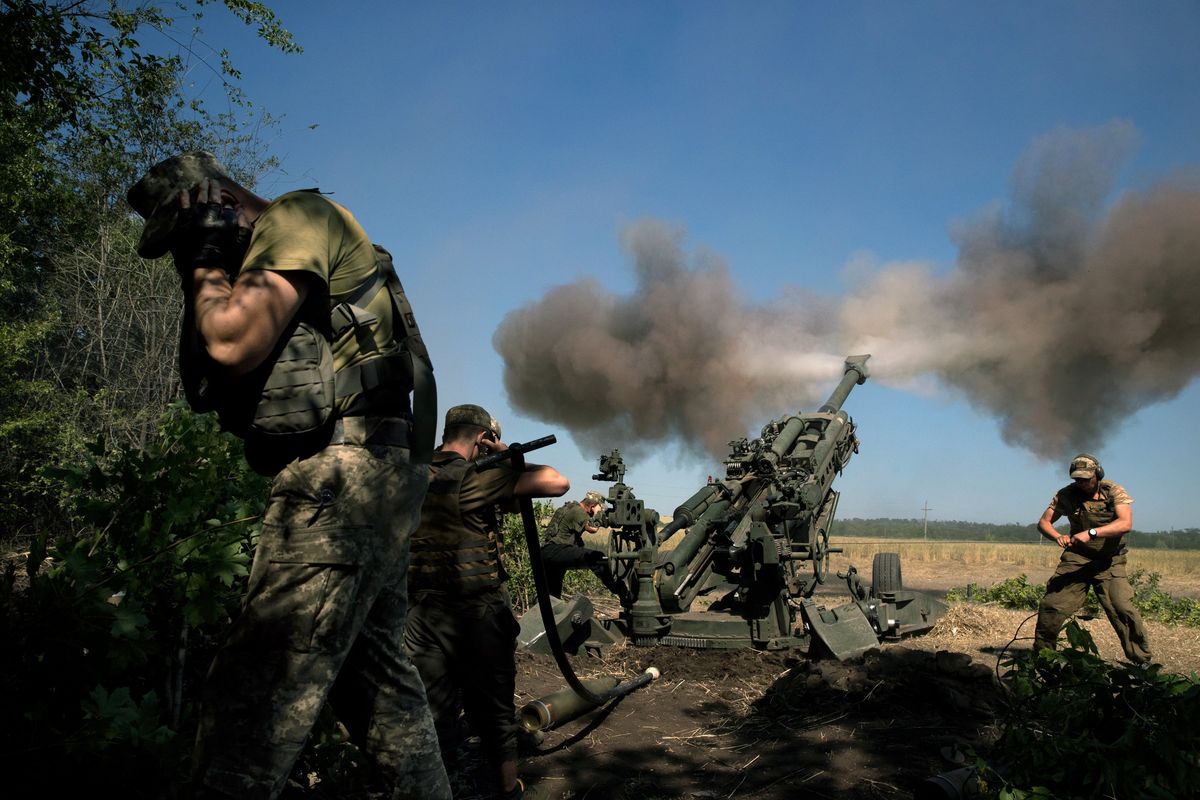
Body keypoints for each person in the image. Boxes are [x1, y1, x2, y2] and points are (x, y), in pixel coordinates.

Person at [127, 152, 450, 798]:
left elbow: (229, 339)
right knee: (383, 697)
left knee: (251, 703)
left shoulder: (297, 219)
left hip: (340, 484)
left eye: (180, 229)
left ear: (209, 201)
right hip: (380, 477)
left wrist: (206, 261)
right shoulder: (320, 232)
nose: (179, 253)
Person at [404, 404, 568, 799]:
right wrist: (508, 454)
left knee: (433, 706)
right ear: (482, 438)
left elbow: (508, 504)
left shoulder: (413, 473)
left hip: (420, 614)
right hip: (476, 614)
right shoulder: (471, 478)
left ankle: (441, 785)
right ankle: (508, 788)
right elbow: (556, 482)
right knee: (495, 707)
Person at [1032, 453, 1152, 664]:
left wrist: (1092, 533)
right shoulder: (1067, 495)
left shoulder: (1113, 491)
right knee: (1051, 607)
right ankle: (1044, 661)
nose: (1082, 483)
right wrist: (1058, 536)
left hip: (1109, 561)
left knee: (1122, 608)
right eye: (1077, 479)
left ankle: (1141, 662)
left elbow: (1125, 523)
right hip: (1077, 558)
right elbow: (1043, 523)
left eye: (1086, 478)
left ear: (1097, 474)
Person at [540, 491, 631, 605]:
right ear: (592, 506)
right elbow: (593, 528)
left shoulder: (570, 508)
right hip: (556, 550)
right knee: (598, 558)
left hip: (548, 554)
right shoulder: (578, 511)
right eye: (598, 508)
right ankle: (621, 591)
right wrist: (598, 513)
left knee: (552, 598)